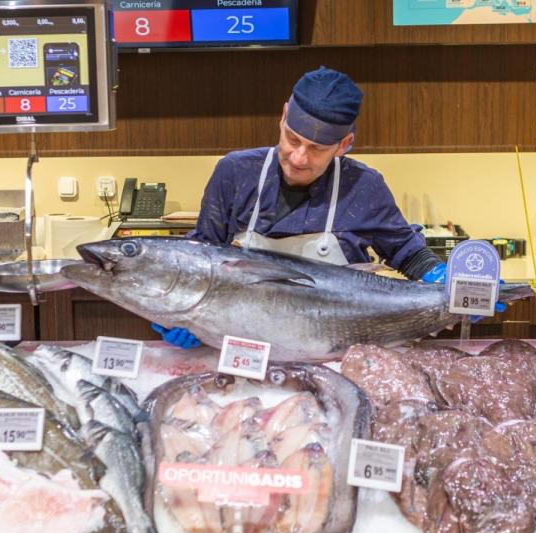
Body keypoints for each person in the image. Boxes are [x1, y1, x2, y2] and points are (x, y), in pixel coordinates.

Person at [152, 66, 455, 349]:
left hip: (336, 349)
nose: (298, 158)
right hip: (246, 349)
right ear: (283, 117)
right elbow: (203, 254)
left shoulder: (364, 186)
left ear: (344, 144)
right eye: (292, 139)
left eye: (317, 149)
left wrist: (455, 285)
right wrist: (177, 314)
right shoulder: (235, 173)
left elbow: (410, 255)